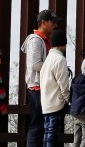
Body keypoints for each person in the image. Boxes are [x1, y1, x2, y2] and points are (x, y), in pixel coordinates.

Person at [22, 9, 60, 147]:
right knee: (37, 124)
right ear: (43, 23)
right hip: (37, 87)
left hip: (42, 87)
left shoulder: (44, 40)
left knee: (42, 124)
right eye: (53, 22)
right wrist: (55, 67)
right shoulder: (35, 40)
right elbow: (34, 65)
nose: (55, 26)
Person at [41, 29, 71, 147]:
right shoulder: (60, 59)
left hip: (46, 102)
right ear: (63, 44)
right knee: (52, 134)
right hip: (56, 103)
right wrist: (68, 99)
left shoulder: (48, 60)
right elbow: (63, 84)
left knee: (47, 132)